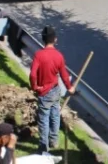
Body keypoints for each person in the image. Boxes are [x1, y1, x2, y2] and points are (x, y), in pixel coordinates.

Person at [29, 25, 76, 155]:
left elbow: (33, 74)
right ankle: (54, 140)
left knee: (44, 119)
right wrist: (69, 87)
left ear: (43, 39)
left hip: (44, 92)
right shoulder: (59, 56)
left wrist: (35, 86)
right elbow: (64, 75)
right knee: (55, 115)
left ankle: (43, 147)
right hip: (56, 90)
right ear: (55, 39)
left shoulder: (39, 55)